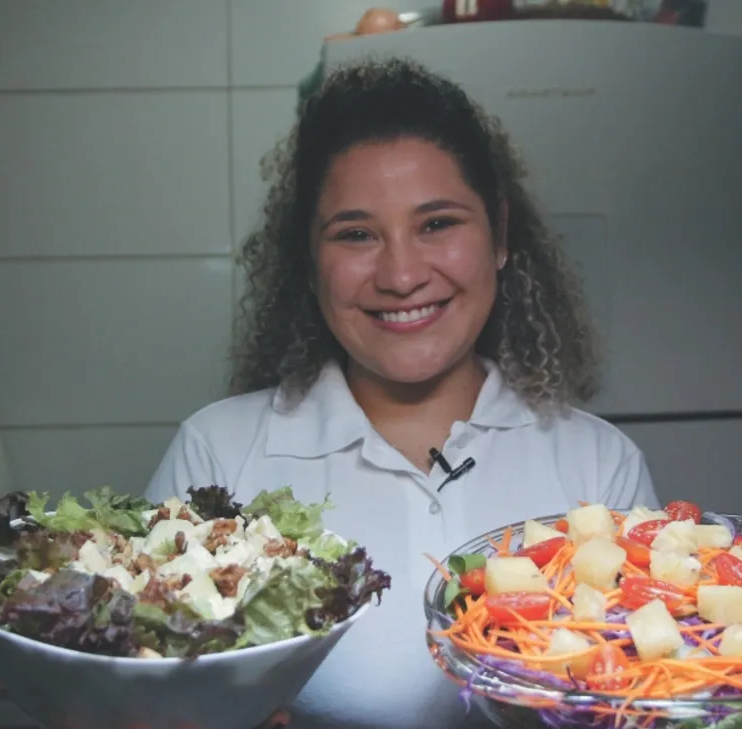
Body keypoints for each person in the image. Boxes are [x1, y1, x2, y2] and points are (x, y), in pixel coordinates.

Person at [144, 57, 659, 728]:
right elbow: (146, 687)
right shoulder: (216, 454)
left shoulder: (601, 464)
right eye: (356, 234)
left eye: (437, 223)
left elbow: (650, 692)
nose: (402, 273)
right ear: (309, 259)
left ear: (499, 236)